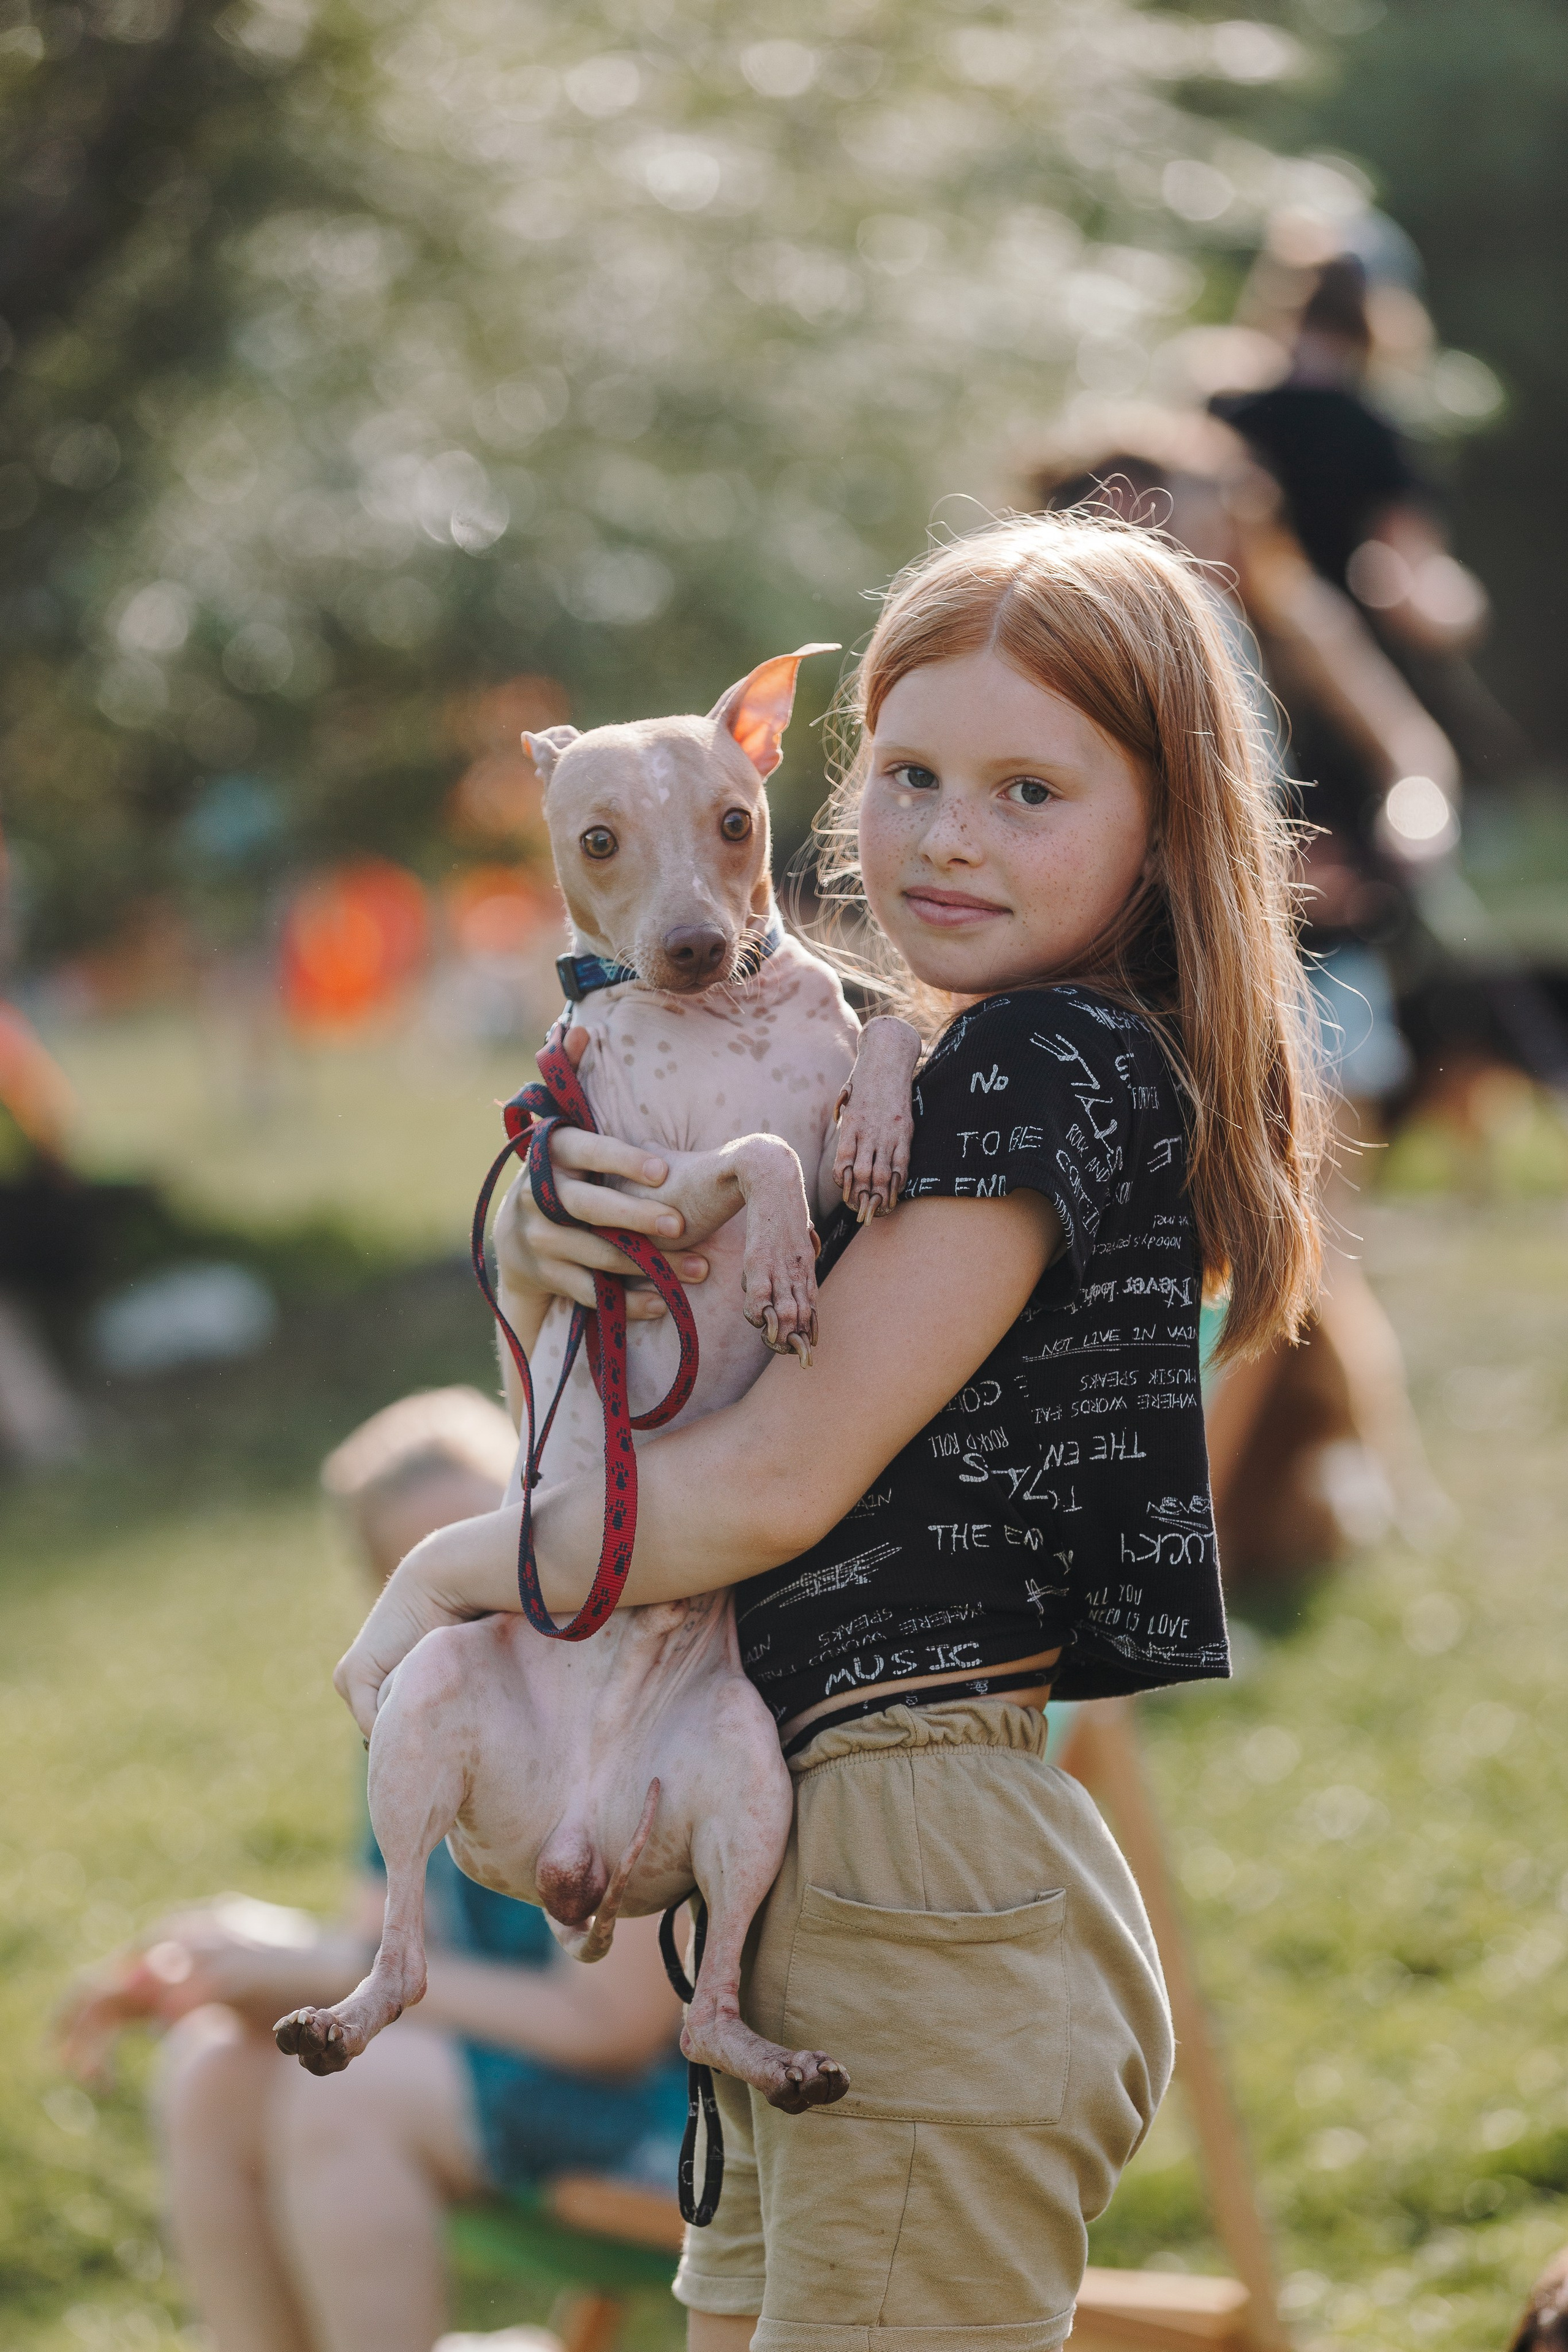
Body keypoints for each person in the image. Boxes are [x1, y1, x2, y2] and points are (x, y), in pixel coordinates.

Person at [337, 514, 1327, 2352]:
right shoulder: (903, 1069)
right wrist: (543, 1254)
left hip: (914, 1863)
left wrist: (448, 1574)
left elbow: (773, 1481)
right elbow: (639, 1395)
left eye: (1029, 791)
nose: (947, 834)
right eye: (910, 773)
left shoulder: (1042, 1065)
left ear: (1167, 824)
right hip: (805, 1881)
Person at [58, 1386, 685, 2352]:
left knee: (343, 2094)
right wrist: (247, 1955)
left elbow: (613, 2029)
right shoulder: (419, 1722)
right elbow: (375, 1953)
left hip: (657, 2112)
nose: (487, 1599)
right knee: (218, 2067)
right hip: (508, 2082)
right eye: (441, 1579)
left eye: (499, 1548)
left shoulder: (625, 1716)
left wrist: (315, 1970)